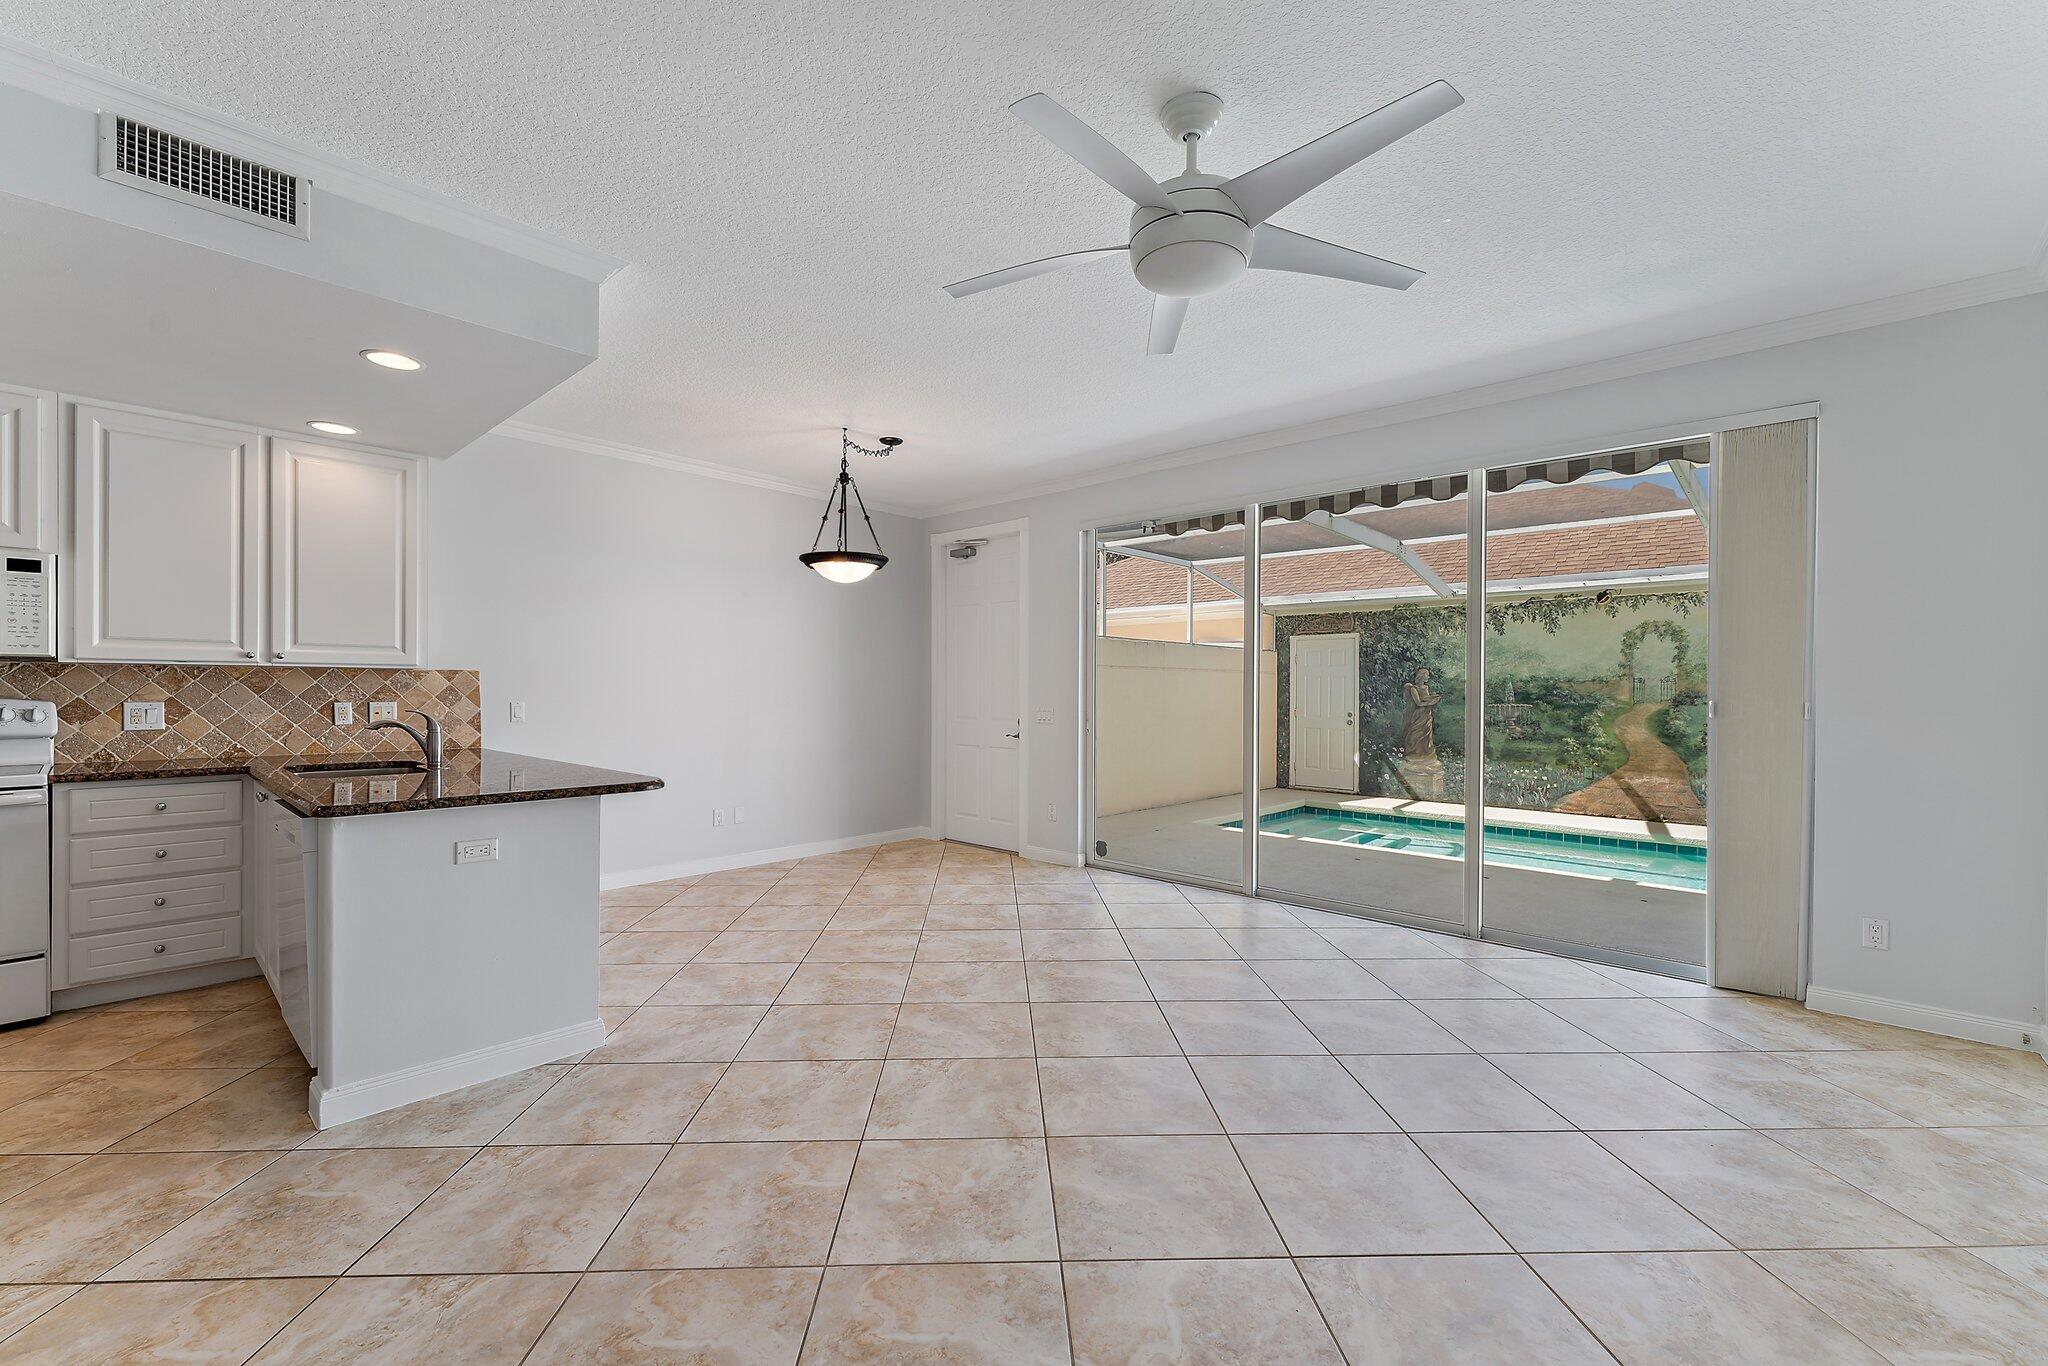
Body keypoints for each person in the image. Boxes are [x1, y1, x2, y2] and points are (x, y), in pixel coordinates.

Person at [1401, 667, 1441, 760]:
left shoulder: (1426, 687)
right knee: (1417, 733)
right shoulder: (1413, 688)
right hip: (1419, 714)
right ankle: (1414, 753)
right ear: (1421, 676)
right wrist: (1432, 702)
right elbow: (1418, 703)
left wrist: (1434, 697)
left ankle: (1425, 753)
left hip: (1427, 713)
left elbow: (1425, 698)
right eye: (1426, 675)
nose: (1428, 677)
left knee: (1426, 733)